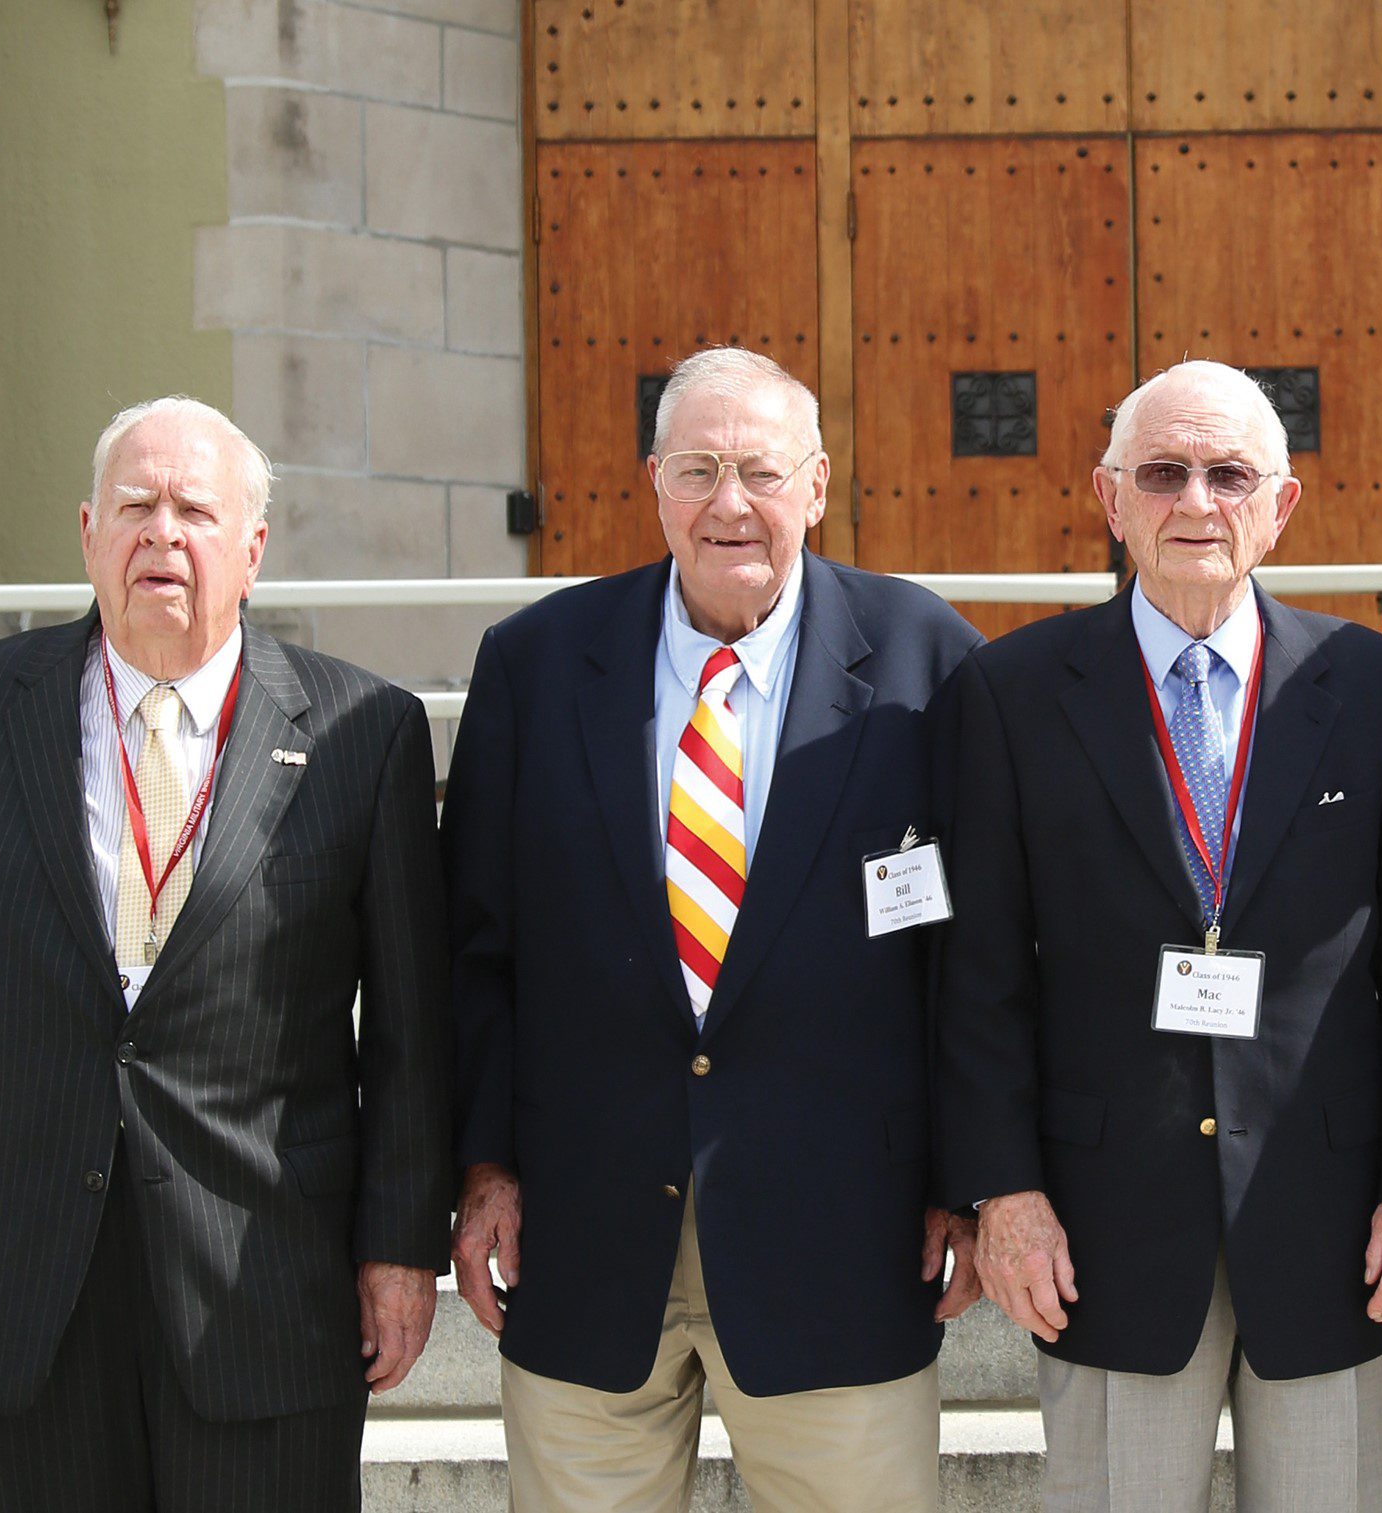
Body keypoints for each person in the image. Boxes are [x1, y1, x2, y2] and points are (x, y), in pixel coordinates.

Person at [0, 396, 451, 1510]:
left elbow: (411, 1030)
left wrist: (398, 1246)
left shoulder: (358, 731)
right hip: (28, 1268)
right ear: (89, 532)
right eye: (135, 507)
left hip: (262, 1276)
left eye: (195, 509)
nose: (163, 534)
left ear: (252, 548)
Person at [937, 359, 1382, 1512]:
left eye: (1228, 473)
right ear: (1109, 497)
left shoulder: (1377, 687)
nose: (1195, 501)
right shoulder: (1011, 692)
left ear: (1278, 506)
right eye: (1163, 472)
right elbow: (978, 976)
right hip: (1098, 1224)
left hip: (1333, 1221)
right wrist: (1002, 1192)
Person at [446, 346, 984, 1511]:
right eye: (697, 468)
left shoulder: (923, 659)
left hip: (843, 1237)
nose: (728, 503)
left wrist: (968, 1177)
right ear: (652, 481)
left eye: (758, 470)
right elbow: (477, 948)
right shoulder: (535, 664)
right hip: (583, 1235)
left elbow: (969, 960)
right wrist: (483, 1165)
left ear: (819, 485)